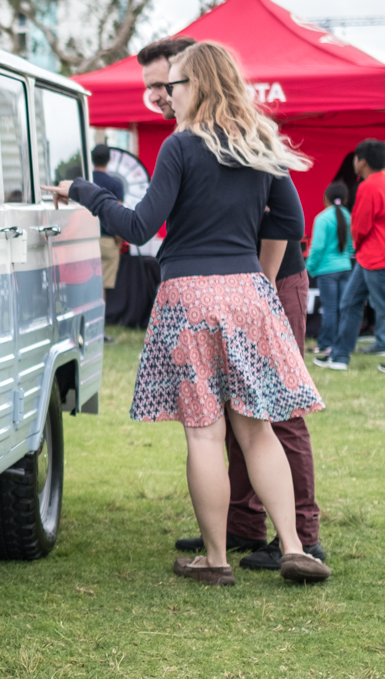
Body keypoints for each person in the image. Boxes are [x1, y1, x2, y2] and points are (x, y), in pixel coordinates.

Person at [55, 40, 328, 586]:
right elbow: (291, 220)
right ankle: (296, 546)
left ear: (197, 85)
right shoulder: (259, 142)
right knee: (257, 431)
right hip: (248, 291)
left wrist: (83, 191)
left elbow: (137, 227)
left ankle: (216, 559)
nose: (165, 95)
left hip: (189, 297)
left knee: (204, 433)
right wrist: (259, 277)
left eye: (173, 85)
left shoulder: (181, 147)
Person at [316, 139, 385, 375]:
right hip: (382, 255)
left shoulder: (368, 186)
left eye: (355, 158)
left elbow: (360, 226)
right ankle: (339, 356)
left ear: (362, 161)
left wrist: (364, 240)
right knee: (351, 303)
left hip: (376, 257)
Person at [307, 183, 353, 359]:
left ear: (326, 198)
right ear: (346, 199)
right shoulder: (347, 216)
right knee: (343, 310)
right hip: (345, 268)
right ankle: (341, 344)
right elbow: (350, 246)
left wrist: (309, 268)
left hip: (327, 271)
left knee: (329, 310)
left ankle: (326, 344)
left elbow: (317, 248)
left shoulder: (322, 218)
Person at [91, 143, 126, 296]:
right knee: (102, 286)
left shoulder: (83, 180)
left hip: (84, 239)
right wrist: (119, 241)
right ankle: (100, 319)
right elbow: (117, 217)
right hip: (107, 239)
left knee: (86, 282)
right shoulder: (115, 185)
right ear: (109, 159)